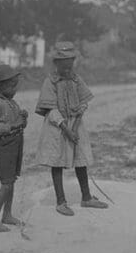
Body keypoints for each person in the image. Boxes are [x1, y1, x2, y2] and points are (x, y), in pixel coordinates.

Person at [35, 41, 108, 216]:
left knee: (81, 159)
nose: (68, 69)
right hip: (57, 127)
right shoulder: (50, 82)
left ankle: (86, 197)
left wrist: (74, 126)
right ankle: (61, 201)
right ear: (56, 63)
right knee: (57, 162)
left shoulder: (76, 79)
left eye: (70, 65)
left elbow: (83, 103)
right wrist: (66, 129)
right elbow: (51, 110)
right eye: (64, 66)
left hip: (76, 125)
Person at [0, 64, 28, 232]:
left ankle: (7, 214)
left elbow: (20, 125)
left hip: (16, 146)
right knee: (6, 184)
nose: (15, 89)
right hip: (4, 149)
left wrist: (23, 118)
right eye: (12, 86)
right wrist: (10, 126)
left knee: (12, 181)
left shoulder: (12, 102)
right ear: (1, 86)